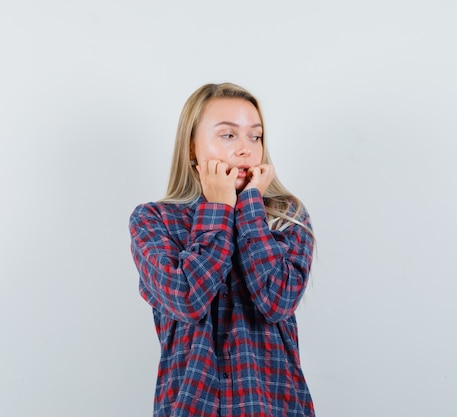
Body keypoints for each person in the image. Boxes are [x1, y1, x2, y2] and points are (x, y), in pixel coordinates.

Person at [129, 82, 316, 417]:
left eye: (255, 136)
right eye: (228, 136)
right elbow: (187, 299)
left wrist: (251, 211)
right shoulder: (153, 220)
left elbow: (277, 302)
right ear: (191, 148)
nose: (246, 150)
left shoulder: (288, 218)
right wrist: (219, 209)